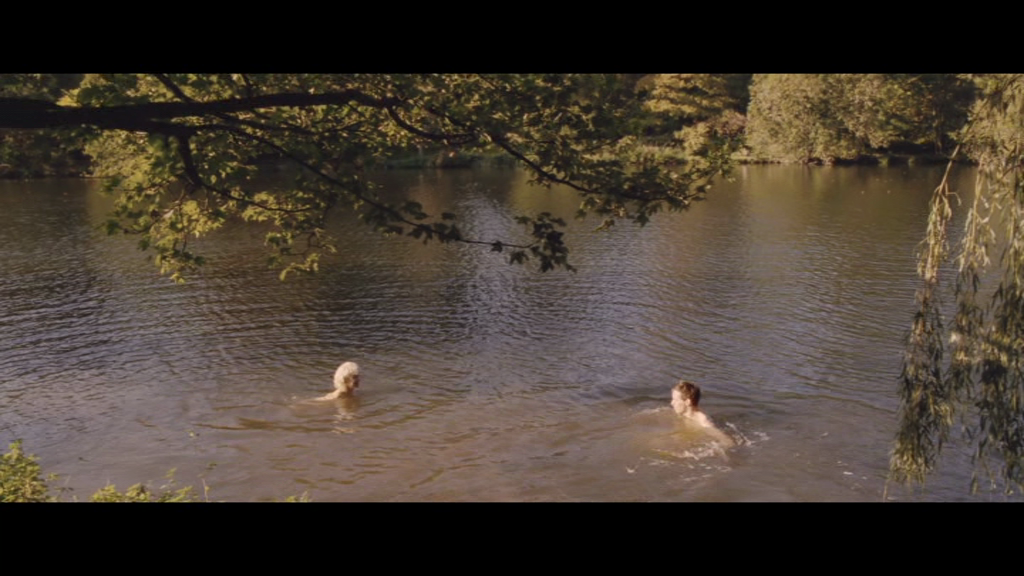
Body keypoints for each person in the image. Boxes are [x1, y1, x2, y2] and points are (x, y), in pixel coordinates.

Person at [671, 381, 735, 447]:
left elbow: (728, 442)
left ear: (687, 402)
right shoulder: (683, 413)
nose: (672, 403)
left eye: (675, 400)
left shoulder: (703, 421)